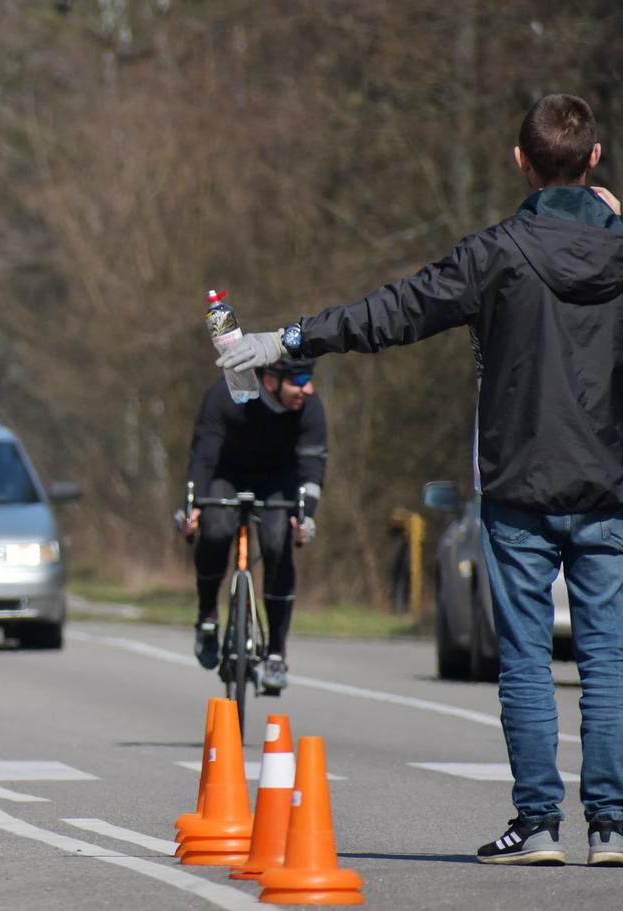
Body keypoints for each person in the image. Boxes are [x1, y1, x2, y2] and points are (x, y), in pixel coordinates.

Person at [217, 94, 623, 866]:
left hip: (519, 490)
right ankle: (613, 825)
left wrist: (288, 340)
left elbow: (394, 311)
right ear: (595, 159)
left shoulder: (497, 253)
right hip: (608, 487)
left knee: (528, 658)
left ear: (521, 162)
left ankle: (539, 824)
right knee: (607, 660)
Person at [178, 357, 326, 693]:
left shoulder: (310, 407)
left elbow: (312, 464)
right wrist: (193, 506)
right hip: (226, 474)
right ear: (271, 381)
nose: (308, 388)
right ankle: (206, 618)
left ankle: (275, 651)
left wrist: (307, 515)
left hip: (278, 480)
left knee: (276, 543)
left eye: (309, 379)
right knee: (215, 530)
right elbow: (203, 455)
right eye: (299, 379)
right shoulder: (227, 395)